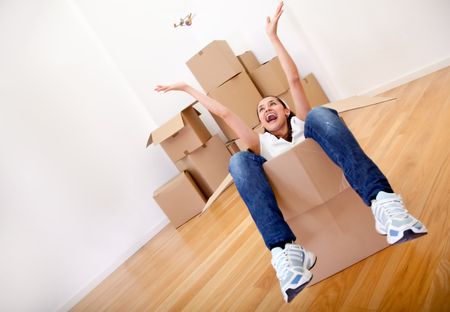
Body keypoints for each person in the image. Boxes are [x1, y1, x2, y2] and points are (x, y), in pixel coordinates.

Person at [155, 1, 427, 303]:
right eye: (261, 109)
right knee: (239, 161)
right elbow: (225, 114)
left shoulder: (304, 124)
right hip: (295, 200)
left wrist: (273, 37)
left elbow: (294, 80)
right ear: (260, 122)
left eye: (272, 103)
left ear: (285, 109)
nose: (266, 108)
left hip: (335, 178)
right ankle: (285, 250)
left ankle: (384, 205)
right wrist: (186, 89)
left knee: (321, 115)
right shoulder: (260, 144)